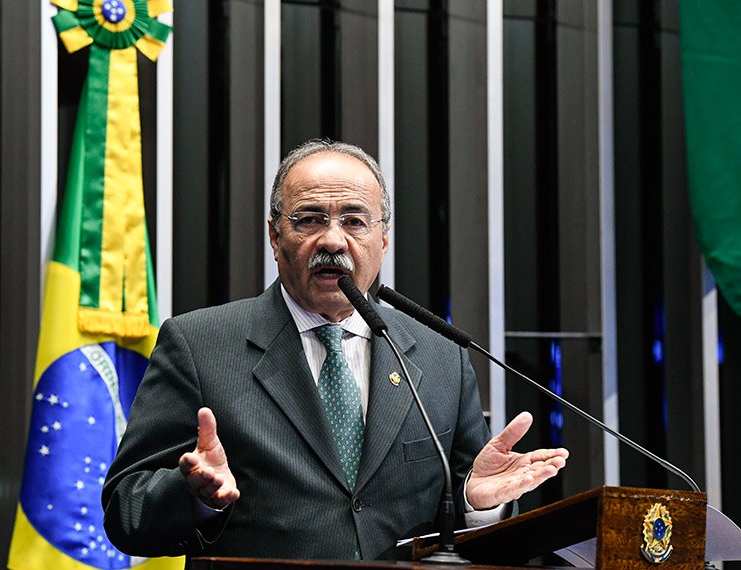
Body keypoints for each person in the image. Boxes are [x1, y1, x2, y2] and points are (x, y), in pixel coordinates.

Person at [101, 139, 569, 560]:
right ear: (275, 236)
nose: (331, 239)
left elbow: (464, 527)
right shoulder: (200, 344)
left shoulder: (439, 354)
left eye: (354, 220)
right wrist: (197, 497)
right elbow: (127, 509)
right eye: (309, 219)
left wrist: (476, 503)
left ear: (382, 239)